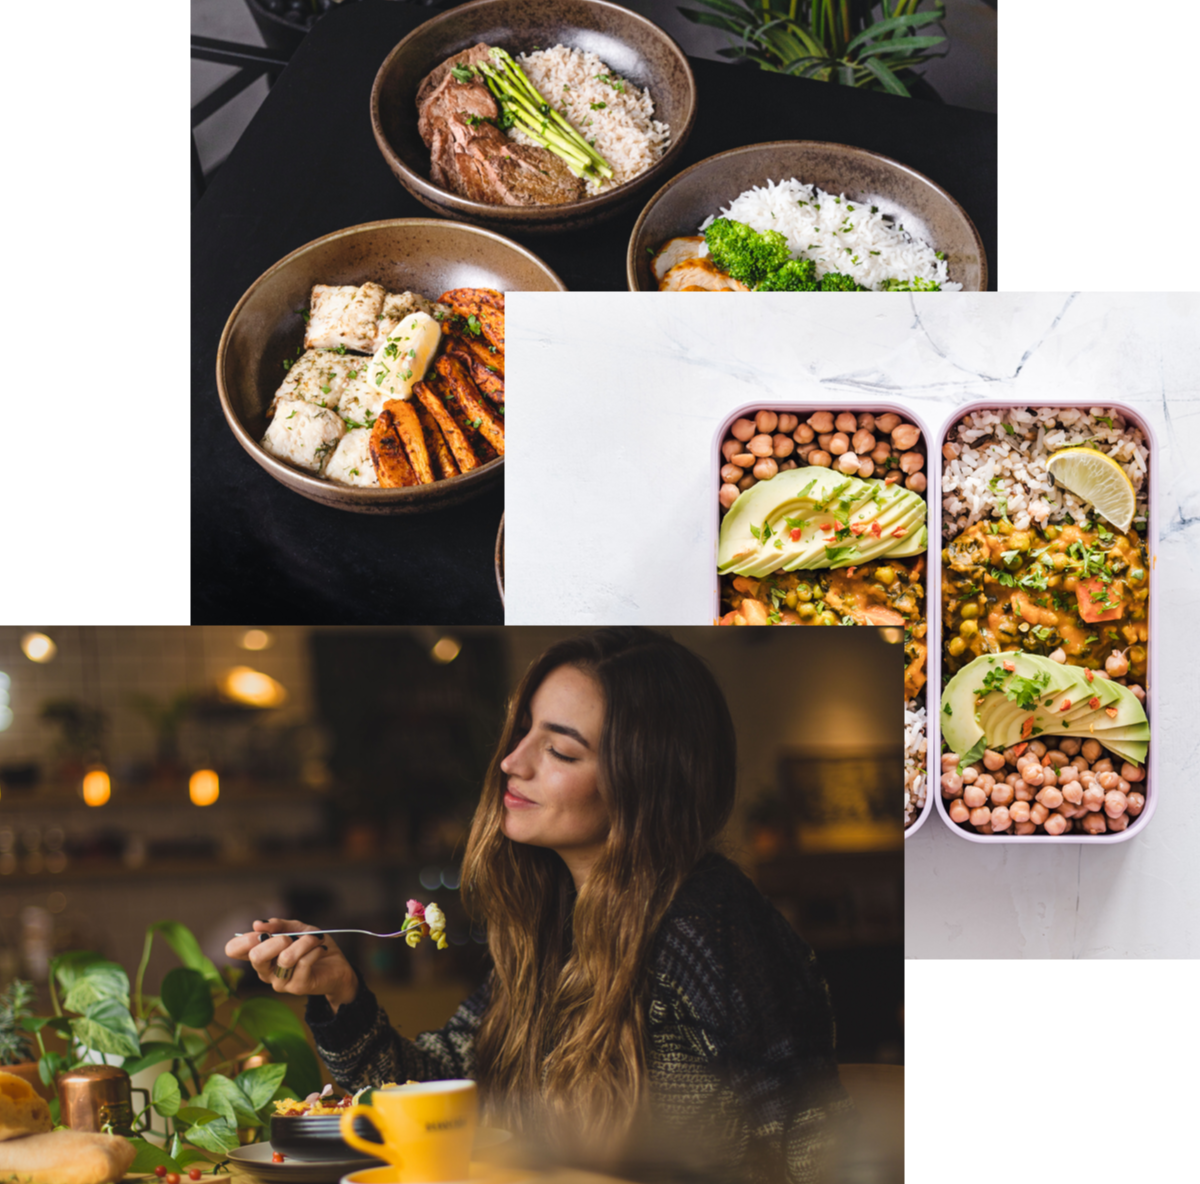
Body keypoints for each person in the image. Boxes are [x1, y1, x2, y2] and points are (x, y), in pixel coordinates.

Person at [225, 628, 850, 1182]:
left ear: (646, 783)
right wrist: (341, 993)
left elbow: (807, 1144)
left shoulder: (707, 926)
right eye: (524, 730)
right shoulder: (556, 924)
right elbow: (439, 1090)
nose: (510, 760)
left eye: (561, 750)